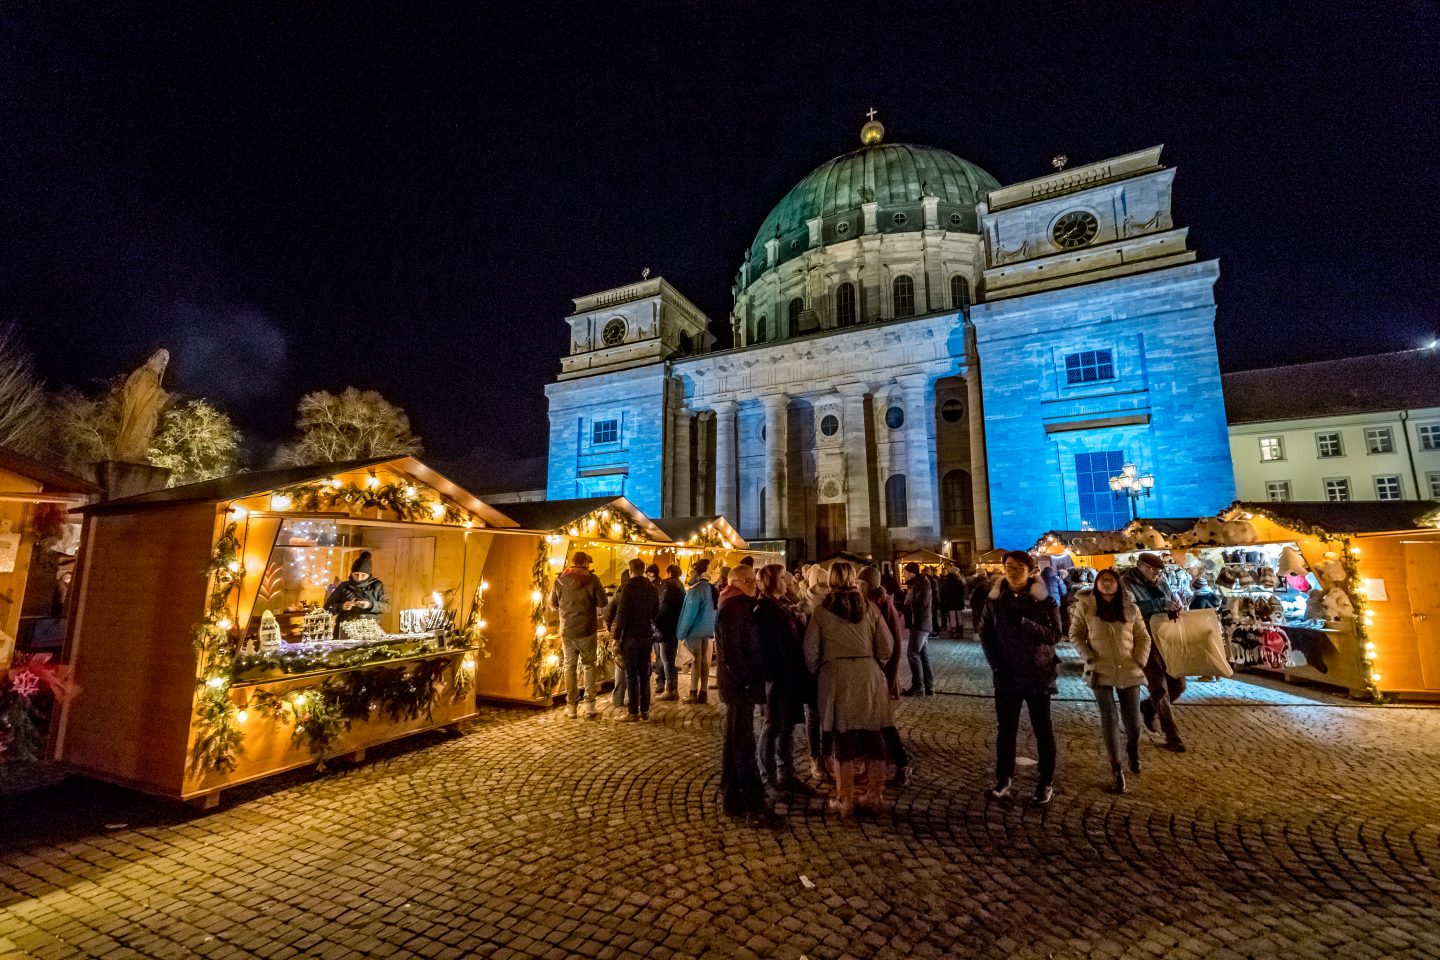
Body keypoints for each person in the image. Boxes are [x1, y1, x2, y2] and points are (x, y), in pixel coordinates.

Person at [804, 561, 894, 815]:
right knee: (873, 733)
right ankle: (874, 794)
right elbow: (886, 645)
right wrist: (873, 663)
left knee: (842, 735)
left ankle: (845, 798)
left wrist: (819, 670)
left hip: (836, 676)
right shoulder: (870, 608)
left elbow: (810, 652)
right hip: (868, 675)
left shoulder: (821, 612)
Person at [979, 550, 1062, 806]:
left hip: (1038, 673)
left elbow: (1055, 634)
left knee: (1042, 730)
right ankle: (1004, 780)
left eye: (1018, 567)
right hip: (1006, 675)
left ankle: (1045, 782)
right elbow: (985, 634)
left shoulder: (1044, 601)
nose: (1012, 571)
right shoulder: (994, 600)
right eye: (1008, 566)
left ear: (1031, 571)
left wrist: (1026, 623)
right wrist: (996, 665)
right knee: (1006, 731)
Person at [1069, 568, 1149, 794]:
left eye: (1110, 580)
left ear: (1117, 583)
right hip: (1099, 669)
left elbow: (1143, 636)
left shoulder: (1130, 607)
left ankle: (1132, 749)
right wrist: (1088, 656)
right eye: (1102, 580)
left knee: (1132, 720)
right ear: (1096, 583)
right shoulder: (1086, 606)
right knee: (1109, 718)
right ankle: (1116, 767)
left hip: (1129, 669)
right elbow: (1075, 634)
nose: (1106, 584)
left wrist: (1140, 659)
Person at [714, 563, 772, 822]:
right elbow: (733, 653)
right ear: (733, 582)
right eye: (746, 581)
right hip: (740, 686)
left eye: (753, 580)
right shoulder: (734, 608)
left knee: (733, 742)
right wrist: (749, 681)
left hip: (739, 684)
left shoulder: (737, 604)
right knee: (743, 745)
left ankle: (731, 798)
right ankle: (753, 804)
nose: (752, 585)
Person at [754, 563, 812, 792]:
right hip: (777, 678)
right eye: (782, 578)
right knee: (773, 726)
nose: (787, 582)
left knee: (787, 726)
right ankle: (768, 778)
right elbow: (766, 647)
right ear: (772, 582)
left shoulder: (781, 605)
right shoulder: (765, 609)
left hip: (789, 676)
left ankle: (787, 774)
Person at [1122, 553, 1187, 752]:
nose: (1155, 573)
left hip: (1166, 640)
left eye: (1158, 570)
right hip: (1144, 641)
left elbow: (1168, 603)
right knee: (1159, 688)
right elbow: (1128, 610)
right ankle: (1172, 735)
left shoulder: (1163, 583)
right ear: (1140, 566)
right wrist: (1159, 604)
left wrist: (1173, 610)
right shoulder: (1126, 584)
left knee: (1178, 685)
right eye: (1151, 569)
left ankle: (1148, 707)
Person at [858, 565, 911, 786]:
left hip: (879, 672)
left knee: (883, 723)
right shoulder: (871, 603)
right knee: (871, 724)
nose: (857, 586)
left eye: (861, 583)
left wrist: (886, 675)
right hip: (872, 672)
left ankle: (902, 766)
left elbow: (891, 645)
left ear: (869, 585)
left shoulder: (880, 605)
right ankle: (871, 767)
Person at [548, 550, 608, 719]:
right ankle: (589, 706)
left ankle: (572, 707)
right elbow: (603, 602)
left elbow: (553, 603)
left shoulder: (559, 579)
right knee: (589, 666)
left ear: (572, 562)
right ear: (584, 563)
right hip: (587, 630)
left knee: (569, 667)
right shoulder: (593, 579)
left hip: (567, 630)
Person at [610, 558, 661, 721]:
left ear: (630, 570)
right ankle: (645, 710)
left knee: (631, 675)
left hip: (631, 637)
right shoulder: (652, 588)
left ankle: (632, 712)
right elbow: (655, 611)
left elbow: (622, 615)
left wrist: (616, 637)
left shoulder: (628, 588)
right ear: (644, 570)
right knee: (644, 674)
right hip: (646, 636)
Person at [676, 558, 718, 703]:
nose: (690, 574)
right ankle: (703, 692)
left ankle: (693, 692)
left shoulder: (697, 589)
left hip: (694, 631)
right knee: (704, 663)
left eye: (692, 571)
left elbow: (689, 614)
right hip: (707, 630)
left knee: (695, 662)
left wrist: (681, 633)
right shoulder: (710, 588)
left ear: (697, 573)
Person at [325, 551, 390, 633]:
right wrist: (341, 606)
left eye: (363, 575)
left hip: (370, 630)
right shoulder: (343, 586)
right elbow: (327, 608)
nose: (359, 578)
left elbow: (386, 607)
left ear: (369, 575)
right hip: (345, 631)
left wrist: (370, 605)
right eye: (356, 574)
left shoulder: (377, 586)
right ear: (351, 573)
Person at [901, 563, 934, 696]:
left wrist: (907, 605)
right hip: (921, 623)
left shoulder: (921, 584)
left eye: (905, 572)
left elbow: (920, 603)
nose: (904, 575)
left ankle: (918, 686)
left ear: (911, 573)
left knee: (912, 654)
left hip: (920, 624)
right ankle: (929, 686)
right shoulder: (918, 583)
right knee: (923, 654)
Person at [654, 564, 685, 700]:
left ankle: (670, 689)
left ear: (669, 572)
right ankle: (673, 688)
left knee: (666, 659)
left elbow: (663, 606)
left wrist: (656, 621)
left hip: (666, 627)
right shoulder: (680, 585)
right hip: (675, 626)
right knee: (671, 659)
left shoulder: (667, 585)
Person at [940, 570, 966, 637]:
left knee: (952, 617)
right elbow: (963, 592)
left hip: (950, 603)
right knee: (959, 617)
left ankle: (954, 631)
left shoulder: (947, 584)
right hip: (959, 602)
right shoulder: (960, 582)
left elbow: (945, 593)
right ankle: (960, 632)